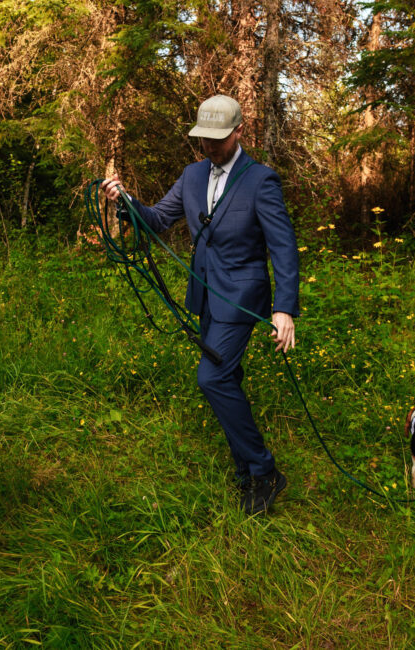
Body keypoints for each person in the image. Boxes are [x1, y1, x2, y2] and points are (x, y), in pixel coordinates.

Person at [101, 94, 299, 515]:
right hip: (204, 295)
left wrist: (284, 308)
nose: (210, 146)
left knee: (211, 379)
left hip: (242, 298)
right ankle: (247, 471)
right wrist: (126, 201)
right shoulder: (191, 176)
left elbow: (283, 248)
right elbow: (156, 219)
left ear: (239, 132)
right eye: (203, 138)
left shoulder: (261, 179)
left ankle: (265, 472)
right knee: (225, 379)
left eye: (218, 139)